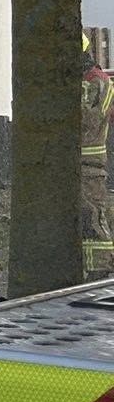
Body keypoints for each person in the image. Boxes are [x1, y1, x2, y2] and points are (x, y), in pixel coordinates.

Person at [83, 35, 113, 248]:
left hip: (89, 168)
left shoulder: (97, 81)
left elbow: (87, 120)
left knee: (93, 223)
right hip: (67, 166)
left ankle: (100, 266)